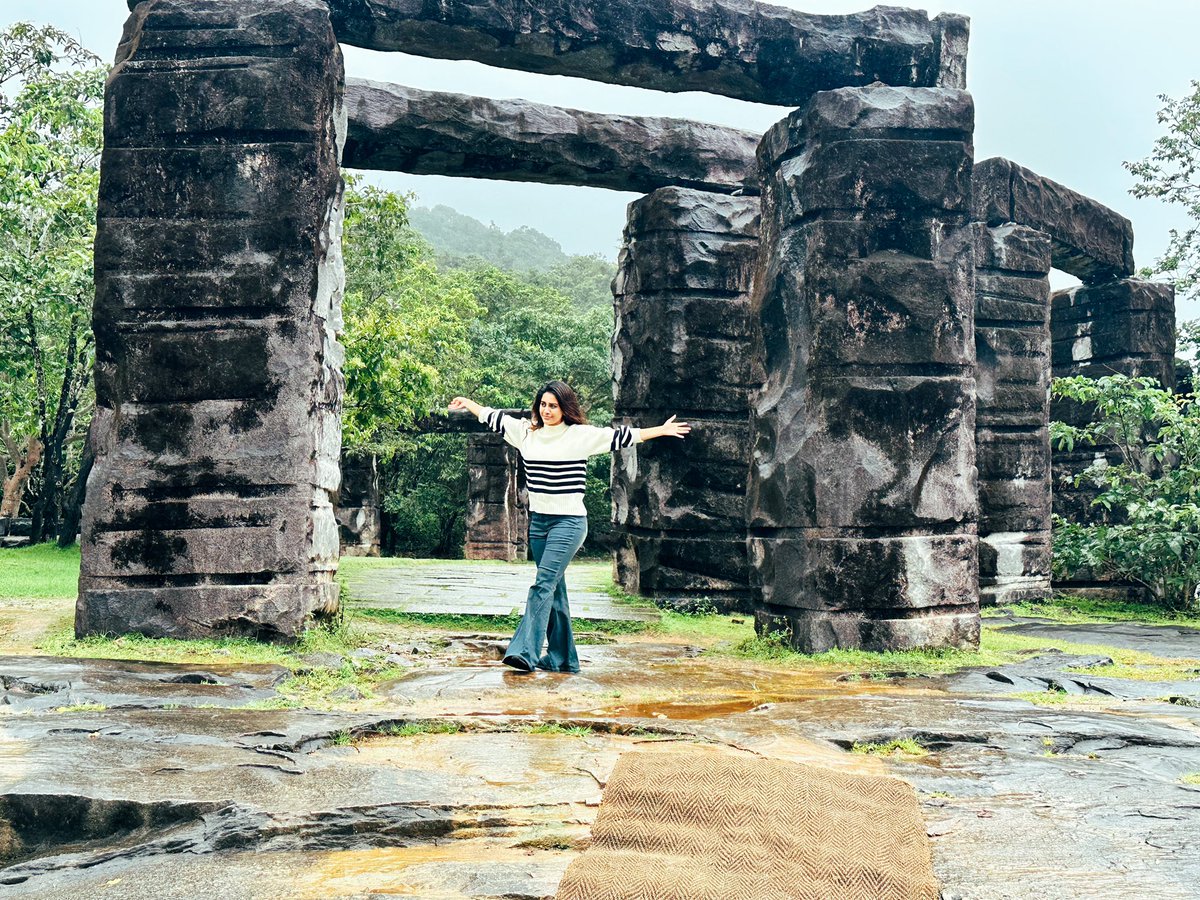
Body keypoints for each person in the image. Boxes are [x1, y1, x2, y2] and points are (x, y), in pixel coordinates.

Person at [448, 381, 690, 674]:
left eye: (553, 405)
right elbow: (493, 416)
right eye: (543, 405)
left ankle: (525, 651)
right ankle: (563, 660)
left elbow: (624, 436)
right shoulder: (525, 434)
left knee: (542, 585)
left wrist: (661, 430)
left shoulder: (580, 436)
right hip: (539, 525)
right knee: (555, 592)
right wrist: (468, 402)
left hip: (570, 523)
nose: (547, 410)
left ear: (565, 408)